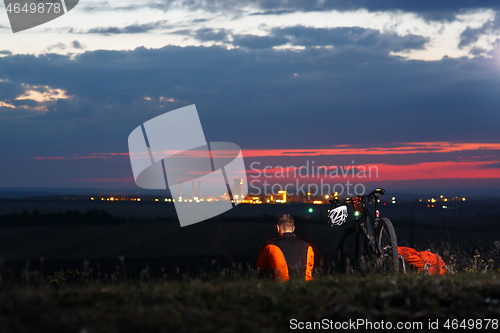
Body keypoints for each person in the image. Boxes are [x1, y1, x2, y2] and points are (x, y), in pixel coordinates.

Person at [256, 214, 314, 281]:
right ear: (293, 229)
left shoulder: (270, 245)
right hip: (305, 288)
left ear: (278, 228)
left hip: (282, 288)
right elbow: (309, 271)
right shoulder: (308, 246)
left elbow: (260, 266)